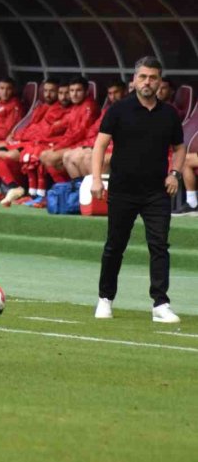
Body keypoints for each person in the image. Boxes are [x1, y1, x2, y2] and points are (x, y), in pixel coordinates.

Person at [92, 57, 185, 324]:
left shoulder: (168, 114)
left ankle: (160, 303)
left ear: (159, 81)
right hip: (122, 190)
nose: (147, 82)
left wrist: (175, 174)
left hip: (157, 192)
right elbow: (100, 145)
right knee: (115, 246)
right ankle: (105, 298)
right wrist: (98, 179)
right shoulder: (118, 110)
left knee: (159, 246)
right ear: (134, 80)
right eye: (143, 77)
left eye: (153, 77)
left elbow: (179, 148)